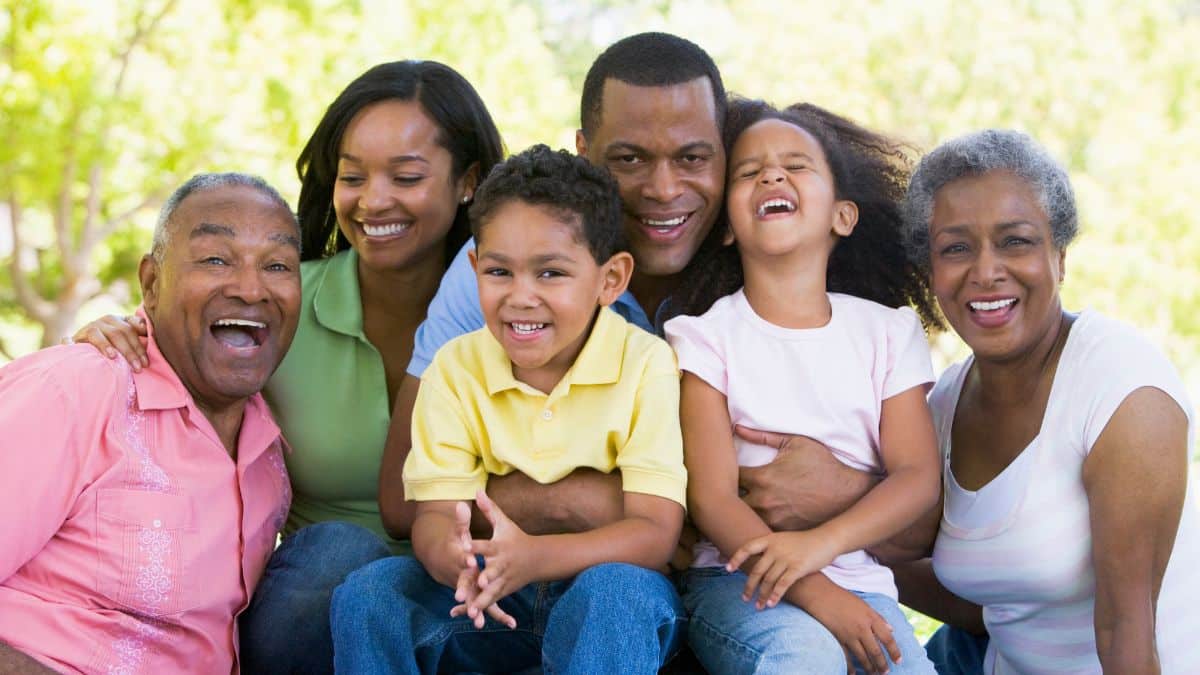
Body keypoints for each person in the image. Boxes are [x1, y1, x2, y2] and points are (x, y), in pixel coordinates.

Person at [70, 60, 505, 674]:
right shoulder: (277, 298)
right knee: (339, 552)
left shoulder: (517, 314)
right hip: (312, 612)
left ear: (469, 181)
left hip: (474, 592)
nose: (373, 200)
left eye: (405, 176)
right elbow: (174, 331)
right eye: (353, 177)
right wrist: (108, 334)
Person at [330, 145, 688, 673]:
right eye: (499, 272)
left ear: (610, 280)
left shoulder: (644, 363)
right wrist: (451, 557)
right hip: (490, 590)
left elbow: (655, 534)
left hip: (602, 594)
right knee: (371, 594)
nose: (521, 296)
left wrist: (536, 557)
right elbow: (435, 515)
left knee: (620, 595)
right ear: (474, 268)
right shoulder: (455, 368)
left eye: (550, 274)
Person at [896, 129, 1199, 673]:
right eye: (956, 248)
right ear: (932, 272)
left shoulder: (1121, 388)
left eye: (1015, 241)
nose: (986, 271)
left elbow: (1125, 631)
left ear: (1059, 258)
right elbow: (977, 603)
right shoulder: (941, 406)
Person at [664, 99, 941, 674]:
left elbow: (917, 477)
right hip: (737, 582)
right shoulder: (704, 339)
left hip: (861, 585)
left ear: (842, 216)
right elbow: (712, 498)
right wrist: (816, 591)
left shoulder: (888, 333)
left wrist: (821, 547)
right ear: (725, 228)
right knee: (803, 655)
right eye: (748, 171)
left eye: (796, 164)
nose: (771, 174)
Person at [0, 174, 299, 674]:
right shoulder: (76, 390)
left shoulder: (267, 454)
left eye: (276, 265)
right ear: (152, 283)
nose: (250, 288)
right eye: (215, 259)